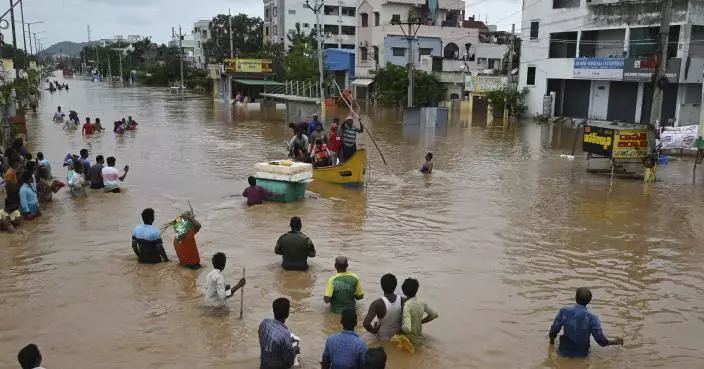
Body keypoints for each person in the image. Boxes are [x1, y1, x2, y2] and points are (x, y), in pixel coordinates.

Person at [549, 287, 624, 357]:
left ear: (575, 298)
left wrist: (551, 342)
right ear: (589, 301)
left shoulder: (564, 311)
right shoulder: (593, 318)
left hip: (563, 352)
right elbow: (601, 340)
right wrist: (615, 342)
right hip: (582, 354)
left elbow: (554, 329)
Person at [258, 297, 298, 369]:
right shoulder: (285, 335)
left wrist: (289, 341)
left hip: (264, 365)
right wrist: (294, 351)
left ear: (273, 311)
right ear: (287, 314)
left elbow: (268, 342)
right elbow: (289, 362)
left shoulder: (264, 323)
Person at [363, 274, 402, 341]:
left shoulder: (377, 304)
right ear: (395, 286)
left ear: (381, 286)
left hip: (382, 338)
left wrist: (373, 330)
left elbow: (366, 324)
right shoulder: (403, 300)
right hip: (397, 337)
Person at [401, 278, 438, 347]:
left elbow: (407, 328)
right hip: (419, 338)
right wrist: (420, 322)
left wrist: (400, 329)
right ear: (417, 290)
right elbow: (434, 315)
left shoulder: (407, 306)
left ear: (403, 292)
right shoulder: (422, 302)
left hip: (409, 342)